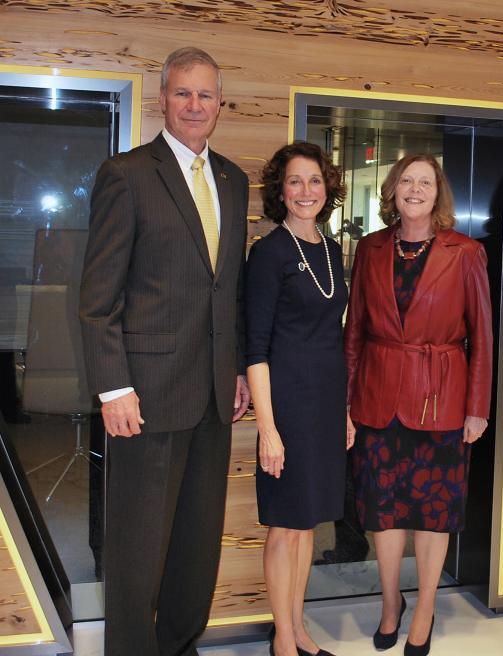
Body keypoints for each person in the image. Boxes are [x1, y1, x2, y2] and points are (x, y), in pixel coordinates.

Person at [79, 47, 250, 656]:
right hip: (144, 399)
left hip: (211, 396)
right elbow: (97, 298)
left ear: (220, 104)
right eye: (183, 93)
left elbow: (225, 288)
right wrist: (113, 387)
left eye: (206, 95)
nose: (195, 105)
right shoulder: (125, 175)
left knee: (197, 543)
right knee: (138, 545)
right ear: (162, 100)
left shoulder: (233, 179)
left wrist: (234, 374)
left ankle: (178, 644)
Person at [345, 153, 493, 656]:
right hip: (378, 396)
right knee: (383, 511)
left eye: (424, 182)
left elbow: (483, 338)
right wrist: (346, 403)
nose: (414, 189)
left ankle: (425, 606)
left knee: (433, 512)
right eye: (406, 180)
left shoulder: (466, 252)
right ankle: (391, 602)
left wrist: (477, 407)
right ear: (393, 189)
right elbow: (355, 332)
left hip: (442, 400)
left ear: (438, 192)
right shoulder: (369, 249)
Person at [245, 142, 351, 656]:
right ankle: (282, 638)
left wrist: (346, 412)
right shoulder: (268, 253)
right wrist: (267, 427)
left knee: (308, 525)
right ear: (280, 191)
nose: (306, 191)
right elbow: (256, 349)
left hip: (327, 404)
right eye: (295, 181)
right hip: (285, 405)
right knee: (286, 526)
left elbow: (335, 335)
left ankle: (300, 628)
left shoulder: (331, 251)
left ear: (327, 188)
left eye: (314, 180)